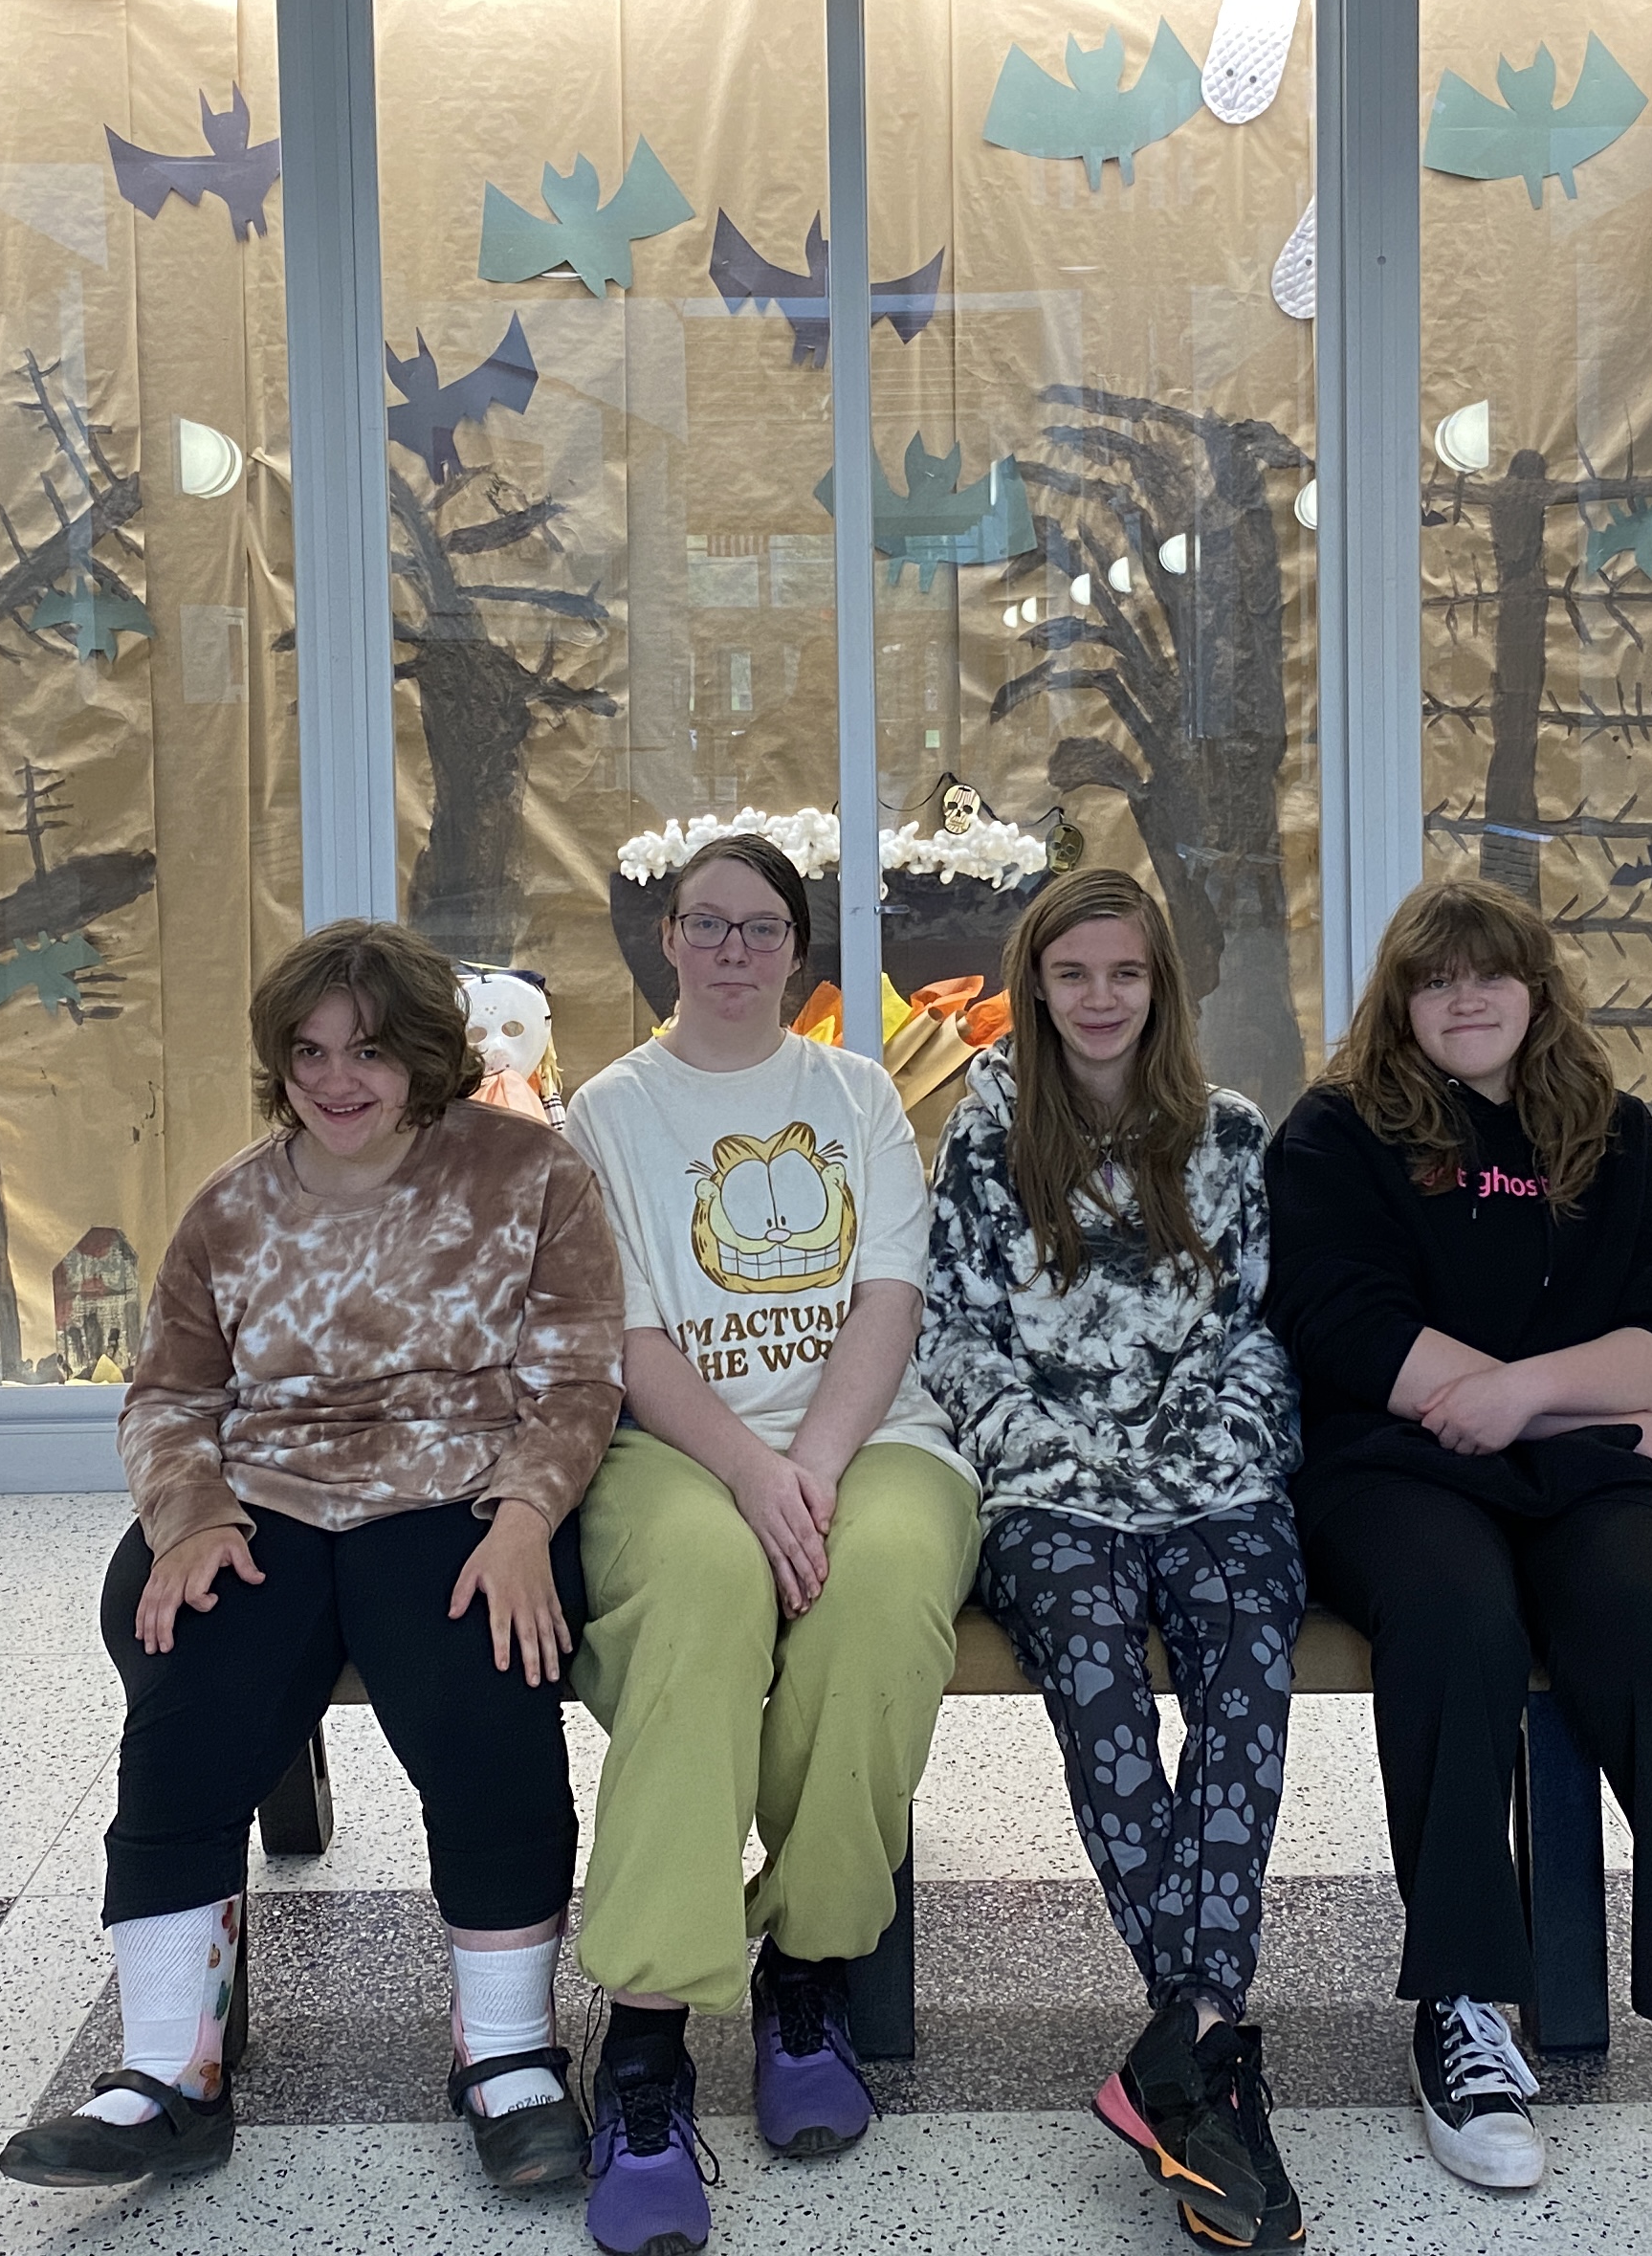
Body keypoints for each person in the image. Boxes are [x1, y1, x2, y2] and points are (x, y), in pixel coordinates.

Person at [0, 919, 623, 2202]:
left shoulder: (529, 1174)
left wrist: (522, 1524)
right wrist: (193, 1520)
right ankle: (171, 2074)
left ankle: (508, 2055)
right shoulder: (230, 1208)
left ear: (427, 1058)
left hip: (461, 1493)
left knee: (482, 1688)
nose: (339, 1079)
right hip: (266, 1498)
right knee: (188, 1677)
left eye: (373, 1052)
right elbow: (168, 1397)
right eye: (310, 1052)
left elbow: (577, 1382)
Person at [1265, 875, 1652, 2195]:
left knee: (1641, 1625)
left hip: (1572, 1465)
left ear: (1537, 989)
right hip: (1397, 1471)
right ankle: (1462, 2009)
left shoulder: (1612, 1138)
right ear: (1399, 1001)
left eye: (1490, 975)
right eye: (1434, 979)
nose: (1465, 998)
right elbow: (1339, 1322)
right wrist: (1575, 1412)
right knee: (1457, 1621)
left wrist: (1527, 1396)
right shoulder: (1335, 1138)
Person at [560, 832, 980, 2256]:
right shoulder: (605, 1116)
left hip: (870, 1438)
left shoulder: (857, 1093)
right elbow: (623, 1337)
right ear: (667, 941)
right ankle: (646, 2042)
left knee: (880, 1594)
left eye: (760, 929)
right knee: (705, 1601)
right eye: (706, 924)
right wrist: (748, 1472)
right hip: (672, 1450)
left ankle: (807, 1971)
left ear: (797, 955)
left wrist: (809, 1467)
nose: (733, 950)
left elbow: (887, 1298)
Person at [916, 867, 1307, 2249]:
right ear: (1036, 987)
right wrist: (1074, 1461)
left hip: (1212, 1480)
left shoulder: (1234, 1137)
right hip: (1049, 1493)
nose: (1098, 998)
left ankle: (1186, 2042)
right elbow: (951, 1337)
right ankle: (1205, 2043)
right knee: (1099, 1697)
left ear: (1162, 989)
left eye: (1124, 975)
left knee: (1251, 1675)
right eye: (1072, 974)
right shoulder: (981, 1137)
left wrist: (1183, 1455)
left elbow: (1257, 1333)